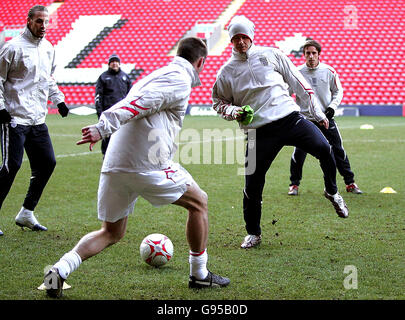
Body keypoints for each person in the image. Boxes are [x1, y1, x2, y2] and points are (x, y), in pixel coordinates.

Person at [44, 37, 230, 298]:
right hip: (145, 163)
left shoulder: (158, 74)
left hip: (116, 162)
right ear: (200, 62)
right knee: (199, 201)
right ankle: (199, 275)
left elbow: (142, 103)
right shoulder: (178, 78)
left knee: (111, 232)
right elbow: (141, 103)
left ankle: (58, 271)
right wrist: (102, 126)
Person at [212, 16, 349, 249]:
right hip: (257, 132)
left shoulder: (271, 54)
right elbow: (218, 102)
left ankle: (332, 192)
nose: (241, 42)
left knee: (326, 150)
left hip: (290, 118)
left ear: (251, 36)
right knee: (252, 184)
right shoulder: (226, 72)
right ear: (231, 40)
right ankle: (253, 233)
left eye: (244, 36)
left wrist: (318, 114)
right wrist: (234, 111)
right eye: (236, 38)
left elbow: (299, 83)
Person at [0, 5, 69, 236]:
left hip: (37, 119)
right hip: (14, 118)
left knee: (47, 163)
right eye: (39, 21)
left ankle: (26, 212)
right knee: (11, 167)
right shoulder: (12, 48)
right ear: (29, 21)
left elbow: (47, 79)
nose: (43, 26)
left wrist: (58, 100)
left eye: (46, 22)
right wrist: (1, 108)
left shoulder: (49, 48)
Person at [287, 40, 362, 196]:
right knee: (299, 153)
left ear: (319, 54)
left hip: (325, 118)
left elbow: (338, 91)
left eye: (314, 53)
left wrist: (332, 107)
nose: (311, 56)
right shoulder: (296, 73)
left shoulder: (329, 71)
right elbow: (286, 94)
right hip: (305, 120)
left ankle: (350, 182)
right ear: (304, 55)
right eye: (308, 53)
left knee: (338, 150)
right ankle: (294, 185)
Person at [95, 53, 131, 156]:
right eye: (112, 62)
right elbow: (98, 96)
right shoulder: (103, 77)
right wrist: (99, 113)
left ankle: (121, 156)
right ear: (109, 64)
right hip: (108, 112)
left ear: (119, 64)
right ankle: (105, 156)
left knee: (123, 135)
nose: (114, 64)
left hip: (123, 113)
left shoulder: (125, 77)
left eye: (116, 62)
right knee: (108, 135)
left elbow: (130, 95)